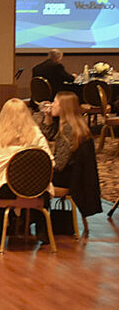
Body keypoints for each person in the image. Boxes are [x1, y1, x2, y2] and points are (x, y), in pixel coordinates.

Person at [0, 98, 53, 241]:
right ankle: (42, 231)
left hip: (2, 190)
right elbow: (49, 162)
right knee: (42, 190)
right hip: (33, 190)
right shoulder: (36, 135)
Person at [41, 91, 102, 220]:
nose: (51, 105)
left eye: (55, 102)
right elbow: (47, 135)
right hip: (73, 177)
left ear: (63, 107)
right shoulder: (73, 126)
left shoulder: (69, 130)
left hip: (67, 180)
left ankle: (34, 222)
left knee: (29, 183)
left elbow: (59, 164)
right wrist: (48, 116)